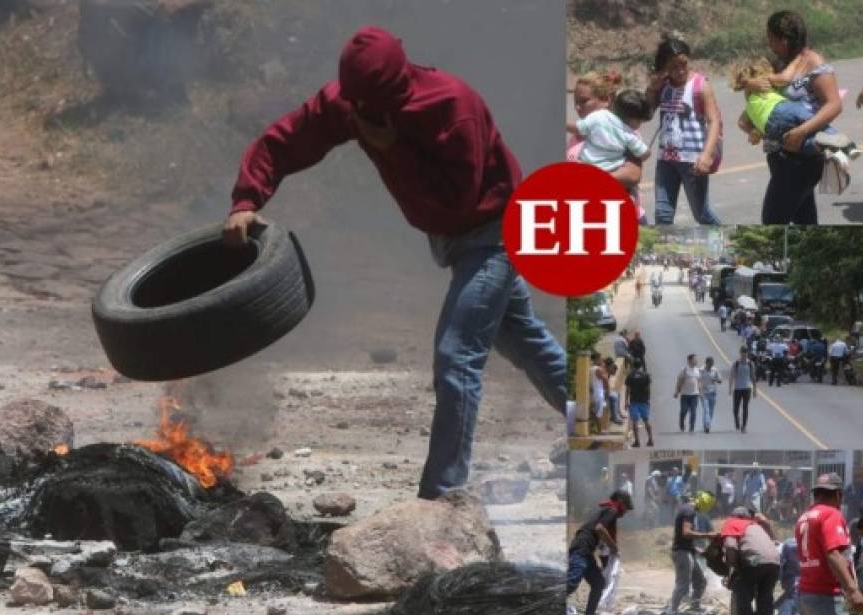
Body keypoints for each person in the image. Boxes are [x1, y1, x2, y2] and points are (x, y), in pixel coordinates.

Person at [224, 27, 567, 501]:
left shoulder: (452, 107)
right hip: (456, 240)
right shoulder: (355, 103)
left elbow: (456, 201)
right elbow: (285, 141)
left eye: (370, 107)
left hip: (497, 231)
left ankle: (442, 496)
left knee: (456, 355)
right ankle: (592, 423)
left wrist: (391, 148)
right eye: (355, 105)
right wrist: (246, 199)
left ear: (395, 89)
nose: (360, 116)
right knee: (522, 339)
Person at [751, 11, 846, 224]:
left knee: (773, 220)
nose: (769, 43)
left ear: (784, 40)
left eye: (771, 38)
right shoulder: (780, 63)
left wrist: (801, 131)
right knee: (805, 220)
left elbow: (834, 105)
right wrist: (753, 84)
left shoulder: (813, 63)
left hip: (801, 159)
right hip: (780, 155)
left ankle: (841, 147)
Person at [646, 37, 722, 225]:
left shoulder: (700, 85)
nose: (679, 71)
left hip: (693, 161)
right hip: (666, 160)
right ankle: (663, 250)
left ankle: (726, 244)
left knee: (702, 214)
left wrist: (706, 155)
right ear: (663, 66)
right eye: (673, 66)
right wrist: (651, 89)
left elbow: (714, 122)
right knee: (663, 214)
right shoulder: (663, 85)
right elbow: (646, 113)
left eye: (684, 64)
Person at [795, 473, 863, 615]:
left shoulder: (803, 517)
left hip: (806, 592)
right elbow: (832, 554)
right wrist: (853, 591)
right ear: (838, 494)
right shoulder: (831, 514)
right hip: (826, 595)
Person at [731, 57, 859, 159]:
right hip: (783, 109)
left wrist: (753, 132)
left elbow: (741, 122)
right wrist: (797, 60)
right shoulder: (767, 83)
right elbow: (786, 79)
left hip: (770, 128)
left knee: (796, 144)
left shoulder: (750, 103)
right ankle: (844, 143)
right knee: (814, 121)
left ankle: (821, 144)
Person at [569, 71, 645, 193]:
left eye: (584, 101)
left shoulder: (622, 132)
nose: (578, 107)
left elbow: (632, 175)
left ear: (605, 100)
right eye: (576, 102)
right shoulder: (577, 136)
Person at [567, 491, 633, 615]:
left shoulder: (606, 510)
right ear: (620, 503)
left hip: (586, 551)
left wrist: (606, 562)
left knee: (598, 583)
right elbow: (599, 528)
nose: (625, 512)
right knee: (571, 583)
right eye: (626, 507)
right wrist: (614, 547)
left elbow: (602, 543)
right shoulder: (612, 510)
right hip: (582, 548)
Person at [720, 507, 780, 615]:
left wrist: (733, 569)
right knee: (765, 595)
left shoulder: (732, 524)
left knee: (742, 590)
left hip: (756, 559)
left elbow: (730, 546)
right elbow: (774, 542)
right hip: (775, 561)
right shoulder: (756, 525)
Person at [566, 89, 652, 173]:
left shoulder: (599, 115)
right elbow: (644, 154)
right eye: (640, 121)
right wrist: (648, 151)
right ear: (634, 120)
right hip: (608, 172)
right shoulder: (629, 135)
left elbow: (577, 128)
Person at [668, 491, 718, 613]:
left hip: (687, 550)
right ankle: (672, 611)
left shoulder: (689, 510)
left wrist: (695, 549)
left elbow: (683, 536)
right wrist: (707, 535)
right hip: (682, 553)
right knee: (683, 585)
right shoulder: (689, 511)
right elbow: (686, 532)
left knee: (700, 581)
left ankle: (695, 607)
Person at [625, 357, 654, 447]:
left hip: (634, 401)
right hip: (644, 401)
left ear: (633, 365)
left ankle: (637, 441)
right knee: (646, 420)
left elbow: (628, 390)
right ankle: (650, 439)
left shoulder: (630, 376)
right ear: (641, 365)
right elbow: (648, 389)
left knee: (635, 421)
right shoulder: (646, 375)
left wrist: (626, 400)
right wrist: (648, 399)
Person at [728, 346, 757, 433]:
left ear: (747, 353)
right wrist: (730, 388)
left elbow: (753, 376)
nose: (744, 354)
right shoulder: (736, 363)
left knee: (745, 407)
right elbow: (731, 376)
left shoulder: (750, 364)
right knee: (735, 408)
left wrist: (755, 389)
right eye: (742, 352)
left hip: (747, 388)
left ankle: (744, 426)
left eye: (745, 352)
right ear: (740, 353)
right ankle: (737, 421)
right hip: (737, 388)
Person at [674, 353, 702, 433]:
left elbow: (699, 382)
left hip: (694, 395)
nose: (696, 361)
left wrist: (700, 392)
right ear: (689, 360)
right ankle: (682, 424)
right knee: (684, 410)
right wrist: (677, 391)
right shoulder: (684, 370)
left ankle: (692, 427)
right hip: (685, 395)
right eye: (694, 359)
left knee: (693, 411)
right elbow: (679, 381)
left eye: (696, 359)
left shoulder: (697, 370)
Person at [699, 356, 721, 433]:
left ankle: (706, 425)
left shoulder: (715, 370)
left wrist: (715, 379)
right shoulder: (701, 370)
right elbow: (698, 381)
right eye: (710, 364)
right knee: (706, 410)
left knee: (711, 411)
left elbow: (720, 380)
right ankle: (707, 425)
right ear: (706, 363)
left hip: (712, 393)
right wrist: (700, 392)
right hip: (704, 393)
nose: (711, 365)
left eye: (712, 364)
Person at [604, 357, 624, 424]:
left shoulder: (608, 372)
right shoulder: (604, 372)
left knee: (617, 394)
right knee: (614, 397)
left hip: (605, 390)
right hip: (602, 391)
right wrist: (607, 392)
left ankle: (618, 413)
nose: (614, 373)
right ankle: (615, 417)